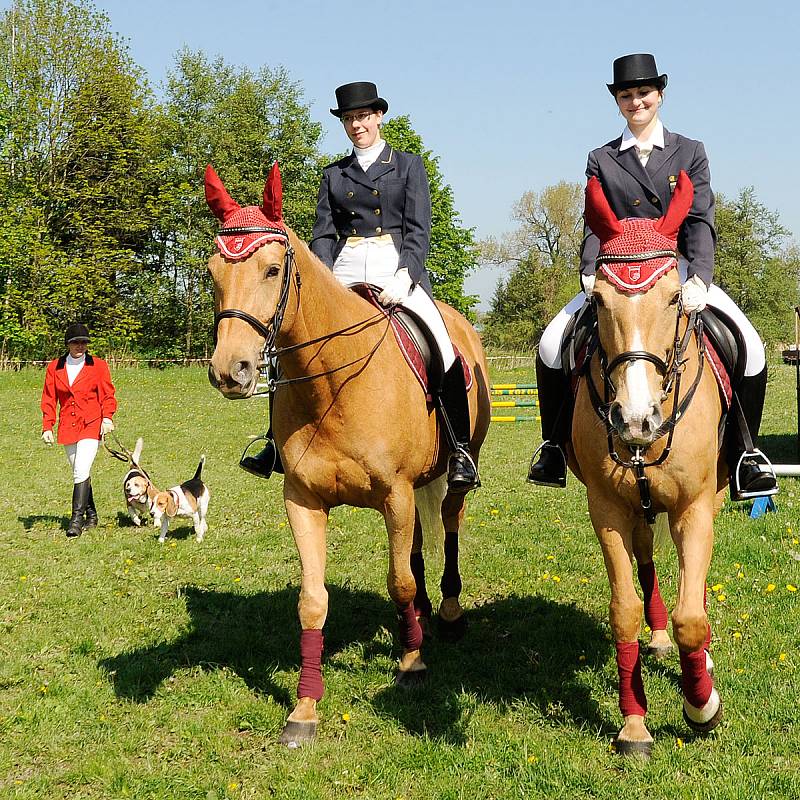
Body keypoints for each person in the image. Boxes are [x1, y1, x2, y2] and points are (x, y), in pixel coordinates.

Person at [527, 53, 778, 501]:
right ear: (618, 102)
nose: (636, 101)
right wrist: (590, 270)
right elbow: (594, 220)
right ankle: (552, 446)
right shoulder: (601, 157)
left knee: (752, 345)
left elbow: (699, 219)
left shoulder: (690, 151)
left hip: (674, 270)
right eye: (627, 95)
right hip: (618, 275)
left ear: (659, 94)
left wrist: (699, 275)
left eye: (643, 93)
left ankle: (745, 453)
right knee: (551, 342)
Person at [241, 81, 479, 493]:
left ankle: (459, 449)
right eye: (349, 118)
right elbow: (322, 235)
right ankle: (275, 444)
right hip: (346, 267)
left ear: (378, 117)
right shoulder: (334, 174)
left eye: (363, 116)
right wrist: (326, 282)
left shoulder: (407, 165)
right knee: (290, 348)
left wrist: (406, 275)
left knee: (442, 344)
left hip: (396, 264)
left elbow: (419, 229)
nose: (357, 125)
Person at [41, 323, 117, 537]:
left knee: (81, 470)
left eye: (84, 342)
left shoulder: (98, 366)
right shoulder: (54, 367)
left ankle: (76, 520)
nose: (80, 346)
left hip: (91, 423)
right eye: (76, 342)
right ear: (68, 344)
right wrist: (48, 425)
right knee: (80, 472)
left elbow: (108, 394)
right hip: (67, 426)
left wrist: (107, 417)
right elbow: (49, 398)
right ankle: (92, 515)